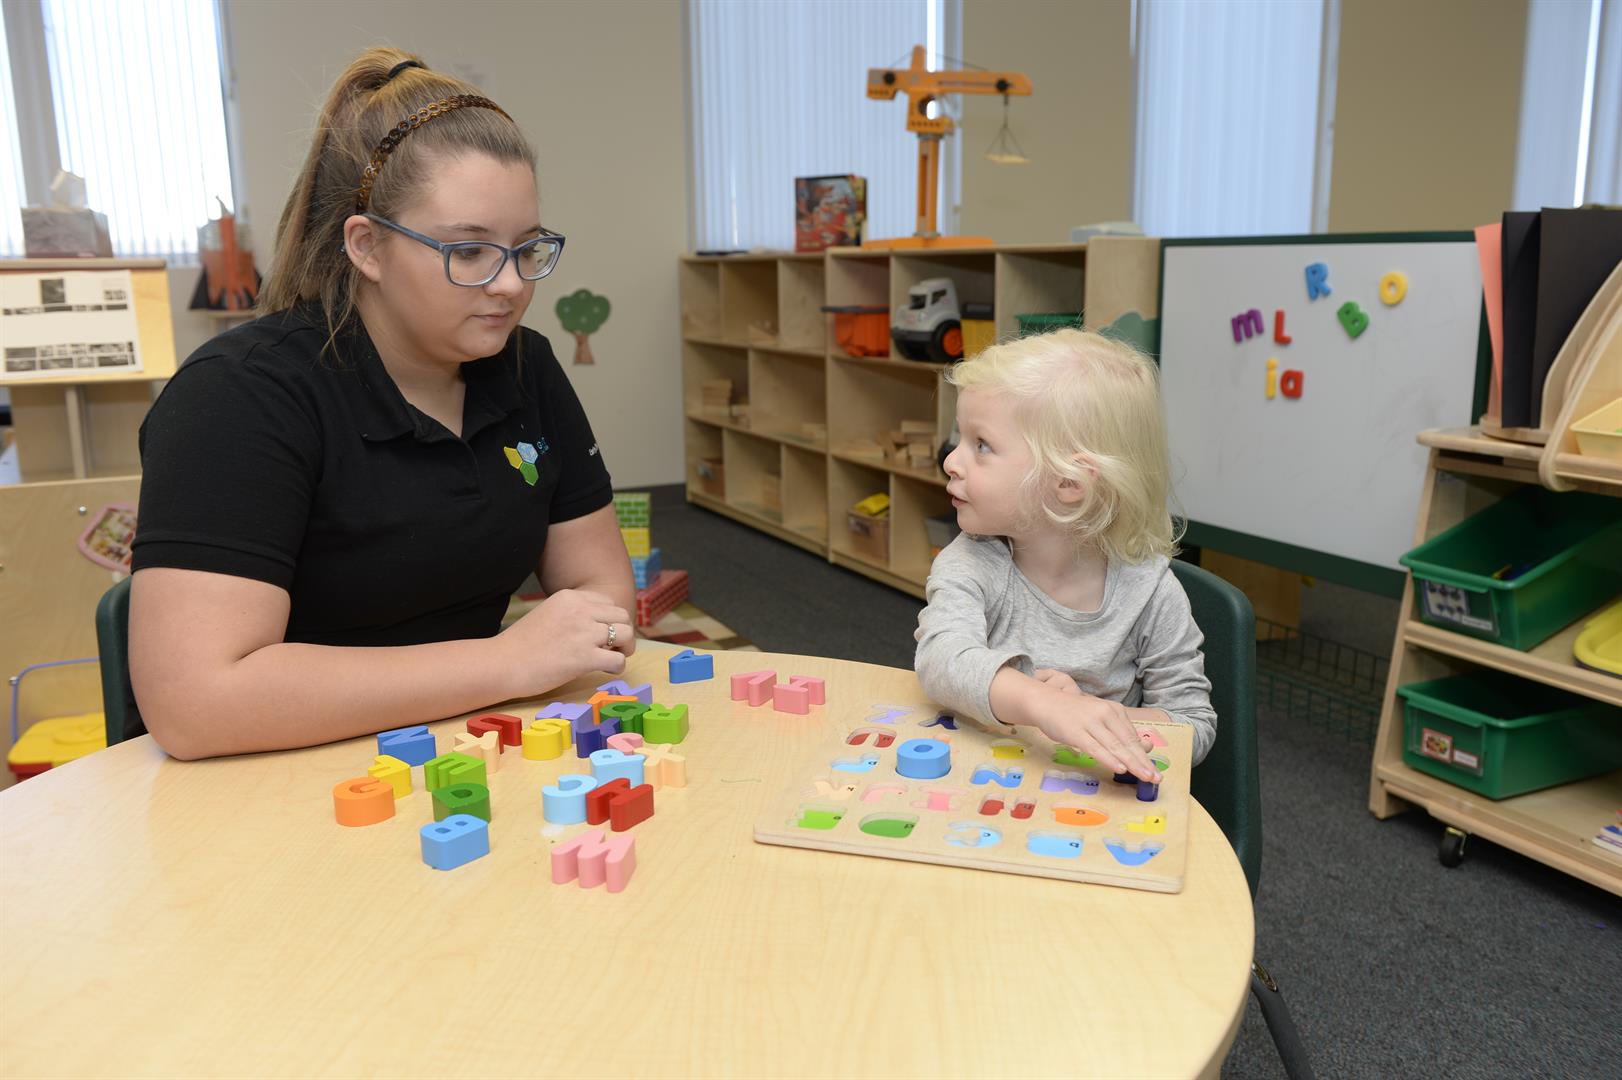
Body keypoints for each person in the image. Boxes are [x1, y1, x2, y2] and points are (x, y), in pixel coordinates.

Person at [129, 48, 634, 760]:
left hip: (460, 746)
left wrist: (557, 645)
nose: (511, 286)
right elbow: (196, 704)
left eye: (527, 249)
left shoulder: (526, 365)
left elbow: (600, 594)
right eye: (469, 252)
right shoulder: (239, 396)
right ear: (367, 247)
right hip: (270, 773)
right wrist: (504, 663)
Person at [914, 329, 1216, 781]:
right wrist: (1046, 706)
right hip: (987, 789)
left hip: (1097, 812)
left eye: (981, 445)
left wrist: (1091, 718)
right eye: (961, 438)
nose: (951, 462)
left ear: (1069, 483)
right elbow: (941, 659)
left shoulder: (1151, 592)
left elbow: (1194, 725)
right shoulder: (971, 562)